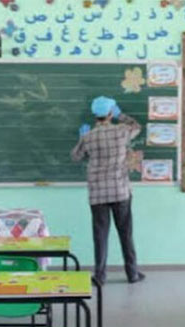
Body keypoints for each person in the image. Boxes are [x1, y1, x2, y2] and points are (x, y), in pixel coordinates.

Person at [71, 96, 145, 285]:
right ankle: (132, 273)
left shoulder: (88, 136)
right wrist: (122, 116)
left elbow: (76, 156)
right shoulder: (122, 131)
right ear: (111, 113)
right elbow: (137, 127)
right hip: (120, 191)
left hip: (98, 193)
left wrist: (81, 138)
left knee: (100, 236)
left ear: (95, 115)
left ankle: (100, 276)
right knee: (126, 234)